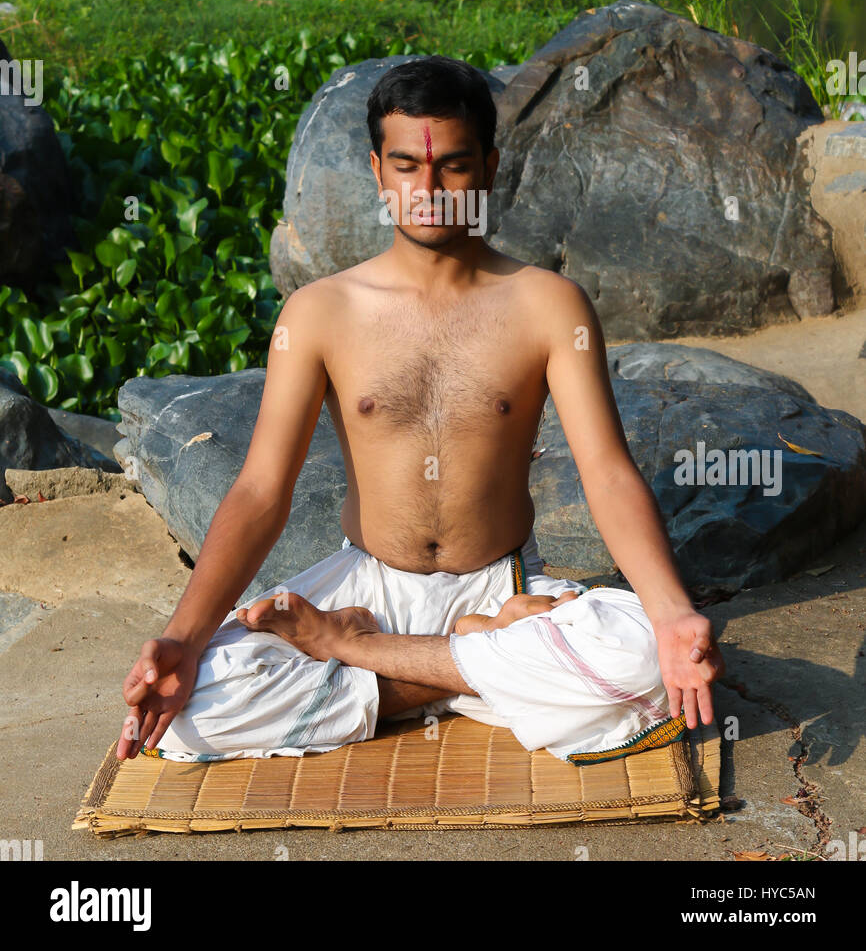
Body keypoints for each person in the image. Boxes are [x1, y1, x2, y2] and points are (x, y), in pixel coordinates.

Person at [117, 57, 723, 768]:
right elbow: (259, 490)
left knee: (645, 656)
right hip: (369, 582)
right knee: (191, 711)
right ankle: (476, 670)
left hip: (500, 584)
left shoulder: (548, 305)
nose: (429, 191)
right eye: (406, 166)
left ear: (490, 168)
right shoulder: (320, 312)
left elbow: (608, 472)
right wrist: (184, 640)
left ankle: (365, 657)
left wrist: (672, 612)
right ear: (378, 171)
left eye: (454, 167)